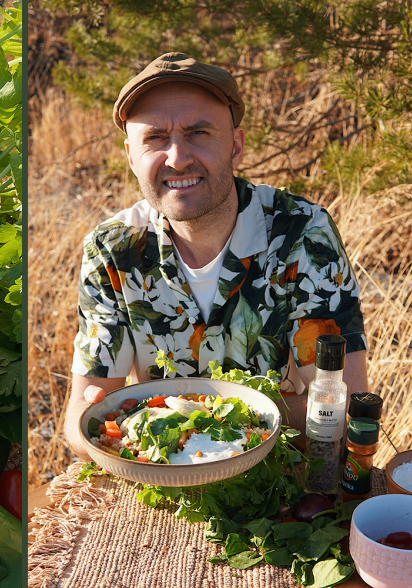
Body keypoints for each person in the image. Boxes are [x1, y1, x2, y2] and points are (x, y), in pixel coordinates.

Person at [64, 53, 368, 461]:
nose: (177, 157)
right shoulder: (114, 251)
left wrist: (163, 415)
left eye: (199, 133)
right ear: (131, 156)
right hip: (159, 486)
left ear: (236, 146)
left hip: (276, 477)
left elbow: (336, 411)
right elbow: (85, 423)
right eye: (154, 138)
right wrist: (273, 411)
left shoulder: (303, 234)